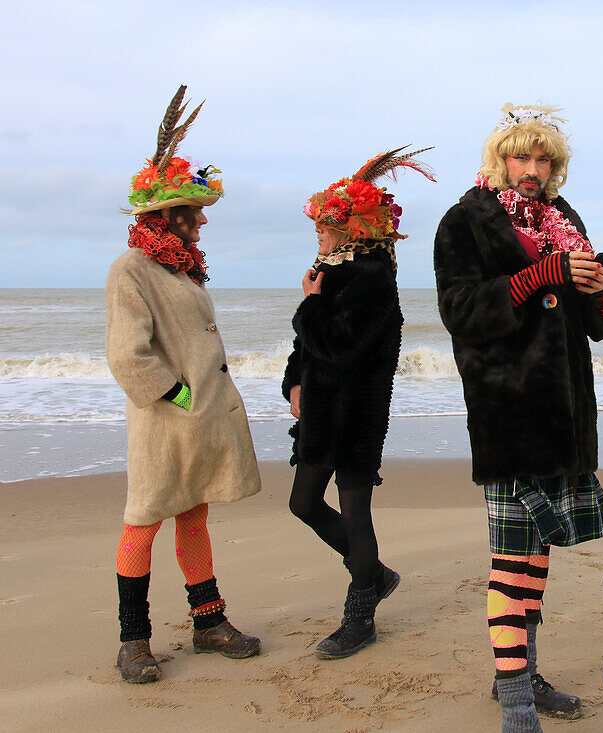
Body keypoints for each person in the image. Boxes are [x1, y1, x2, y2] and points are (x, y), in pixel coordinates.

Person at [434, 104, 603, 732]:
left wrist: (602, 294)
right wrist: (538, 274)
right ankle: (516, 702)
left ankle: (518, 674)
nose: (535, 170)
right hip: (507, 409)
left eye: (546, 161)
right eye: (524, 157)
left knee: (536, 552)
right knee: (511, 559)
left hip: (566, 410)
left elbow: (602, 327)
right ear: (500, 160)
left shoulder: (561, 218)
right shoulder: (464, 219)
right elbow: (460, 311)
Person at [106, 85, 262, 684]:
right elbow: (127, 353)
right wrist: (178, 395)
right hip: (164, 423)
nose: (201, 220)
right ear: (164, 215)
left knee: (194, 519)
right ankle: (133, 640)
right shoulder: (131, 270)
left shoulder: (180, 266)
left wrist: (199, 401)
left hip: (196, 423)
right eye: (192, 211)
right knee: (141, 522)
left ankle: (209, 623)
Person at [282, 147, 434, 658]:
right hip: (321, 414)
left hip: (356, 418)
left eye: (327, 225)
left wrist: (310, 304)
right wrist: (293, 384)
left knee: (355, 516)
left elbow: (340, 349)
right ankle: (375, 575)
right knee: (302, 504)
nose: (318, 232)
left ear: (352, 228)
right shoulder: (326, 271)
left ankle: (360, 615)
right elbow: (305, 349)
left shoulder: (372, 281)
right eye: (319, 224)